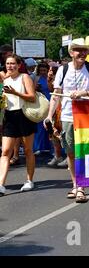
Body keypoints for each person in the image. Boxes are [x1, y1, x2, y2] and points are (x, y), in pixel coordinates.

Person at [44, 38, 89, 203]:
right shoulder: (63, 70)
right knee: (70, 152)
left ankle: (81, 187)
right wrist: (49, 116)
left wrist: (84, 93)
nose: (82, 53)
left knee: (83, 152)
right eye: (78, 50)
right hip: (68, 117)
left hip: (88, 117)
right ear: (71, 53)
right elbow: (56, 95)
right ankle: (75, 184)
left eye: (84, 50)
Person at [0, 54, 37, 196]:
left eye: (13, 63)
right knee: (5, 151)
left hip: (24, 115)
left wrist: (15, 92)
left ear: (19, 65)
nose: (10, 66)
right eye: (8, 63)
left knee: (28, 150)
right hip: (9, 116)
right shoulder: (5, 80)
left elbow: (32, 97)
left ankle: (29, 180)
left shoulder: (24, 77)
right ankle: (1, 184)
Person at [33, 62, 52, 154]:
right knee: (39, 126)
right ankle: (38, 147)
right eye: (41, 70)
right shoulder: (36, 78)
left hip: (50, 102)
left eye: (44, 70)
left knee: (49, 126)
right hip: (40, 103)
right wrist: (35, 87)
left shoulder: (51, 78)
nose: (43, 72)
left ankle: (49, 147)